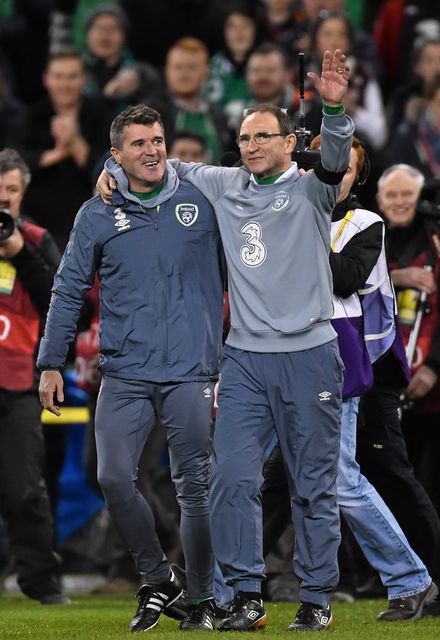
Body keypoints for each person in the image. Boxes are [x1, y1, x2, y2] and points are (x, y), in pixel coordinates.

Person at [97, 47, 354, 632]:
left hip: (310, 354)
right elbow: (151, 165)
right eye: (243, 138)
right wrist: (108, 172)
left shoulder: (314, 190)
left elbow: (337, 159)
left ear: (291, 143)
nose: (251, 146)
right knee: (229, 480)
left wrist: (335, 109)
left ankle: (316, 598)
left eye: (263, 136)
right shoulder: (221, 184)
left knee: (313, 487)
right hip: (242, 360)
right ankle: (245, 594)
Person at [37, 104, 226, 632]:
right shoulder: (96, 212)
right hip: (124, 372)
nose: (152, 151)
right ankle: (160, 578)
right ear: (116, 154)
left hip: (190, 368)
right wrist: (51, 362)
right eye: (138, 144)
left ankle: (204, 598)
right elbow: (68, 288)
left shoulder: (204, 199)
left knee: (194, 487)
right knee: (114, 477)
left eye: (158, 140)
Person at [260, 135, 439, 622]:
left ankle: (411, 578)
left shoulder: (366, 222)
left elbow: (343, 278)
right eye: (319, 165)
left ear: (355, 176)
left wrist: (302, 222)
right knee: (256, 476)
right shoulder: (280, 205)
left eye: (339, 169)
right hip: (274, 357)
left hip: (335, 358)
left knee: (339, 479)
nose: (328, 175)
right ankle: (227, 582)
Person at [355, 163, 440, 613]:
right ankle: (379, 577)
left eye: (409, 194)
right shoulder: (371, 231)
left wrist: (437, 367)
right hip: (374, 373)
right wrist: (399, 276)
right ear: (380, 199)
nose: (401, 202)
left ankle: (426, 577)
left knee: (405, 481)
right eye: (393, 195)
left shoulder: (434, 239)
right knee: (372, 479)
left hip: (411, 379)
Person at [0, 147, 68, 605]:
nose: (3, 199)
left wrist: (20, 253)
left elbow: (63, 307)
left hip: (18, 380)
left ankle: (42, 583)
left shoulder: (38, 239)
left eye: (11, 190)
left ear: (23, 193)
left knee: (26, 490)